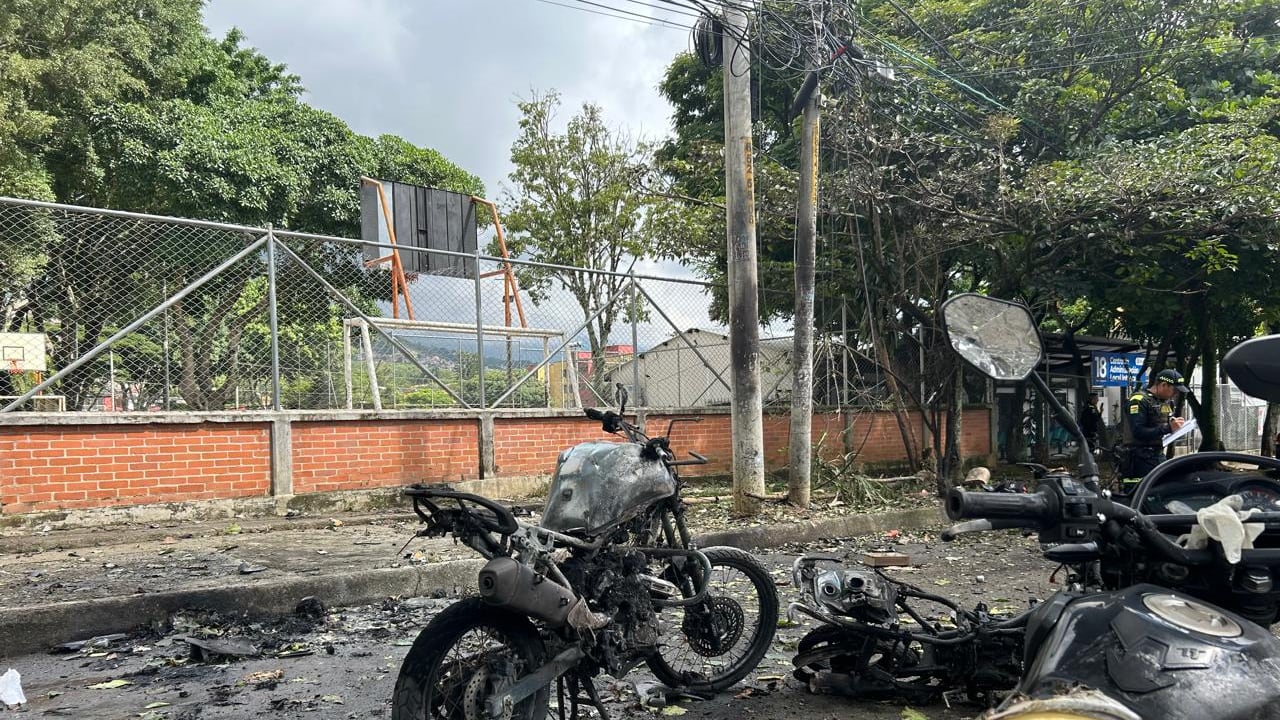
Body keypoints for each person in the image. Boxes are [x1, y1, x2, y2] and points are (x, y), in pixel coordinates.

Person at [1122, 369, 1189, 481]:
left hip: (1156, 455)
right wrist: (1168, 428)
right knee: (1144, 489)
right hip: (1139, 458)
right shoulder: (1138, 400)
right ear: (1163, 385)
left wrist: (1173, 423)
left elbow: (1158, 423)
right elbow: (1138, 431)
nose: (1175, 394)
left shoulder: (1162, 401)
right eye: (1174, 390)